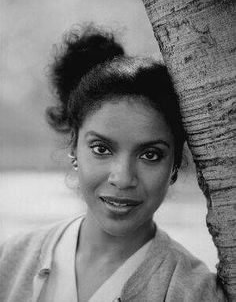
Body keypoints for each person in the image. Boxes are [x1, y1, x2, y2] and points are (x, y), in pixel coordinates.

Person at [0, 25, 226, 302]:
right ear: (74, 146)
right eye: (101, 149)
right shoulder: (11, 259)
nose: (122, 177)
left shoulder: (193, 291)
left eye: (150, 155)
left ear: (175, 165)